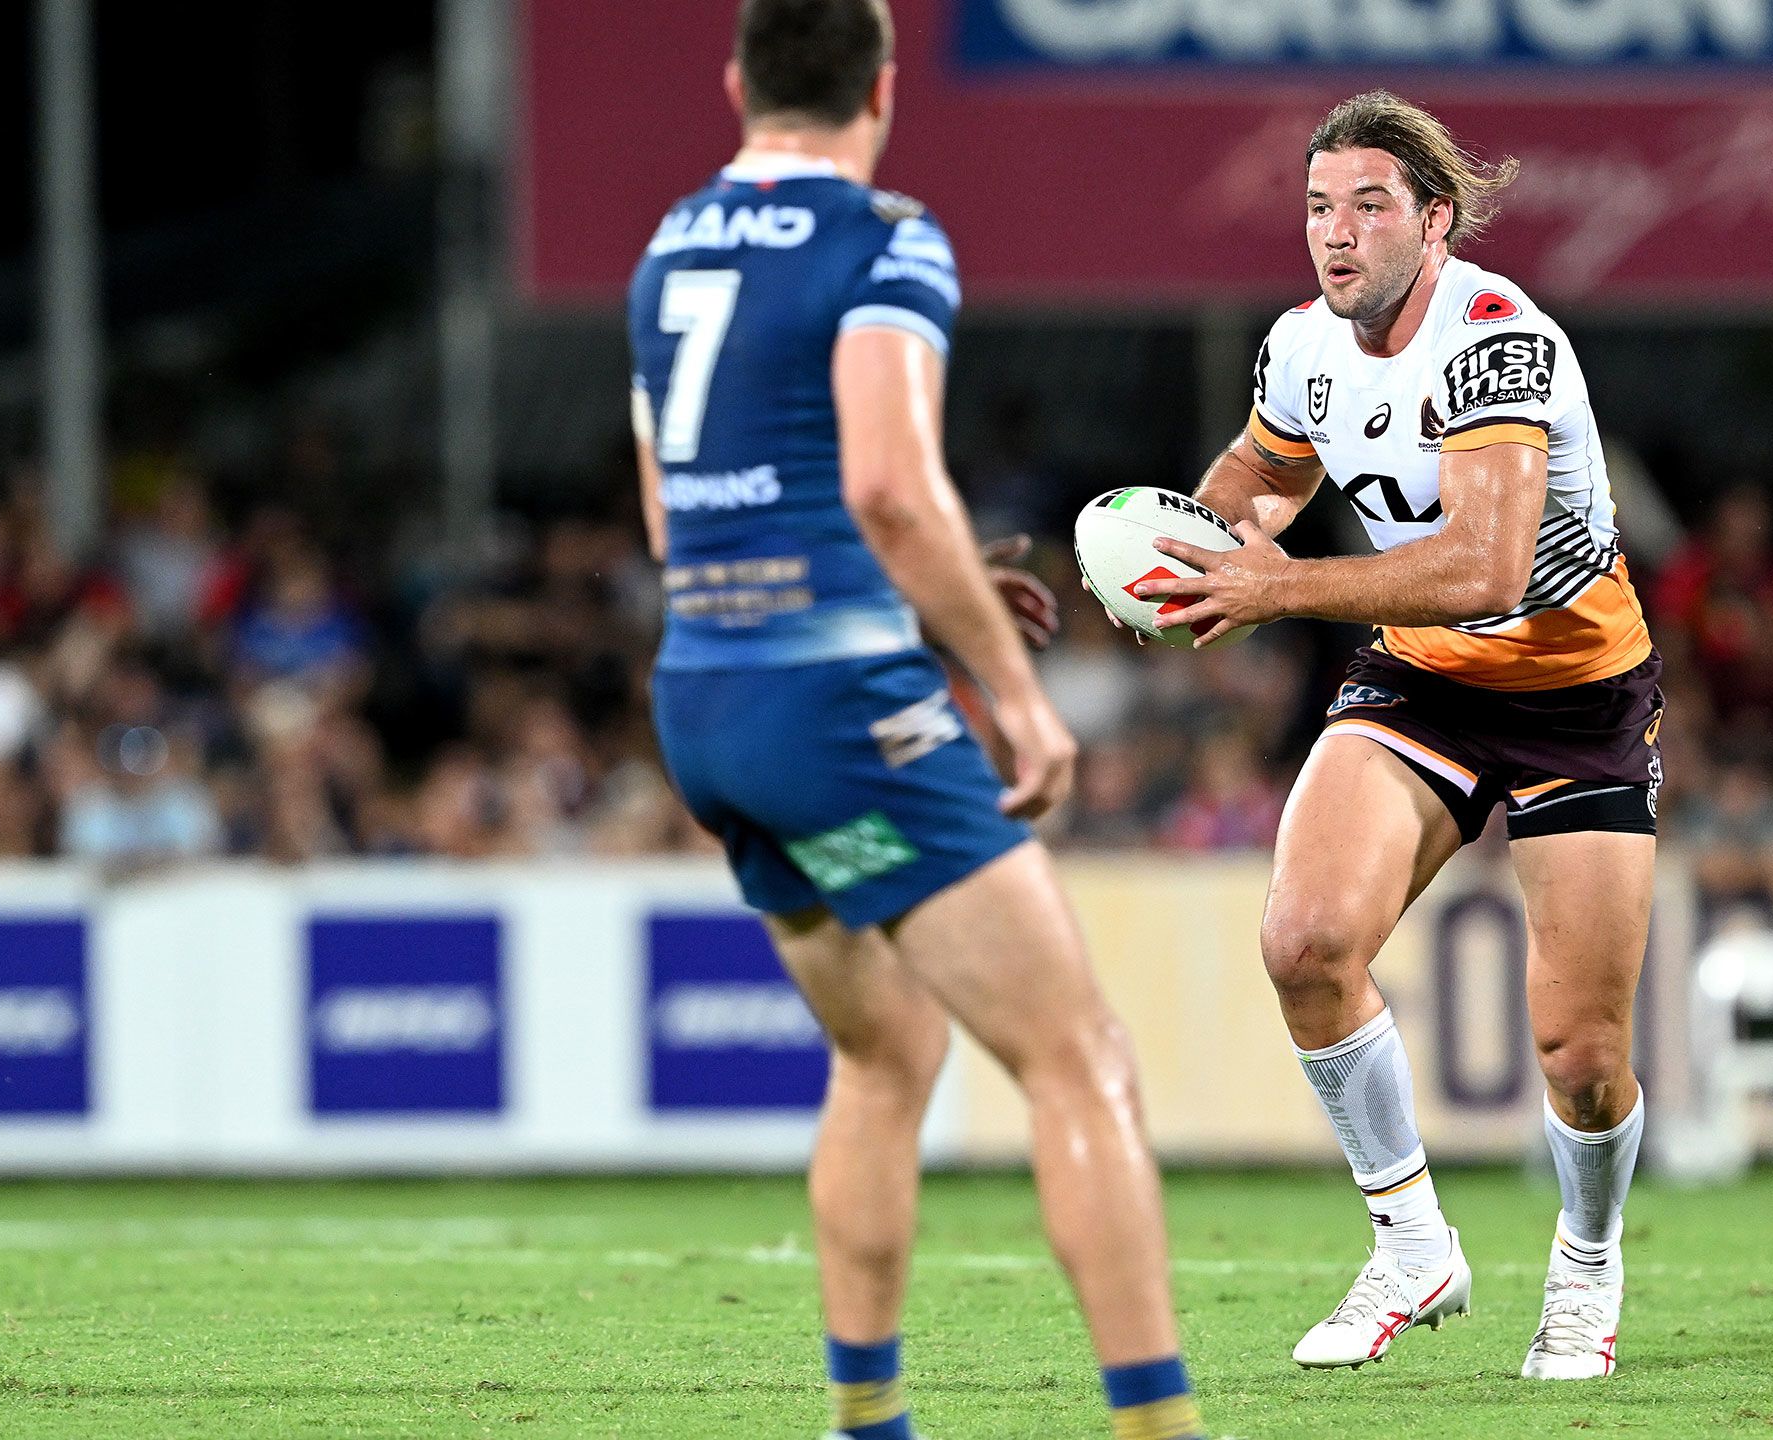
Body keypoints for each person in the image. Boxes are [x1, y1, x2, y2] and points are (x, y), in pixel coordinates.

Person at [625, 4, 1204, 1437]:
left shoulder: (666, 247)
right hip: (836, 707)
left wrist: (896, 593)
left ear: (735, 84)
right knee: (1079, 1059)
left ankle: (867, 1424)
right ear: (883, 89)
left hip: (706, 693)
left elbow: (669, 515)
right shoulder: (887, 238)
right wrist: (1006, 689)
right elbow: (888, 484)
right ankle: (1160, 1427)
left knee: (887, 1050)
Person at [1132, 91, 1659, 1380]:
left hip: (1574, 692)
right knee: (1305, 943)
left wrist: (1278, 588)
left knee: (1580, 1058)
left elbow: (1482, 565)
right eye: (1319, 206)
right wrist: (1181, 546)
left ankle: (1586, 1267)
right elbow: (1263, 475)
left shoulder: (1494, 337)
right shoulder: (1303, 346)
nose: (1337, 232)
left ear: (1434, 221)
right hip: (1422, 683)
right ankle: (1411, 1246)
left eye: (1370, 204)